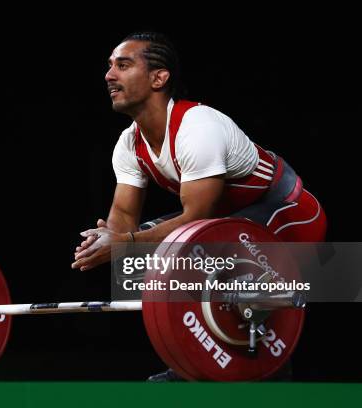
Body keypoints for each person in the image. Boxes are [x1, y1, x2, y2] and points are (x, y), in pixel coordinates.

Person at [70, 32, 327, 381]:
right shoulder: (129, 144)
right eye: (110, 66)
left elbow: (197, 220)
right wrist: (105, 238)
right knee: (153, 253)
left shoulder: (197, 127)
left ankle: (263, 370)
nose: (109, 75)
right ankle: (201, 368)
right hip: (230, 219)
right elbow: (125, 218)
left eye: (123, 65)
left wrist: (127, 241)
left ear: (159, 78)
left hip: (288, 213)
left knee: (210, 265)